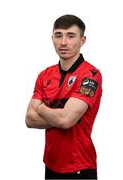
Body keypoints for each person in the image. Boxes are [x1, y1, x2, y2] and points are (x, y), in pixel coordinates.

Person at [25, 14, 102, 179]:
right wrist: (60, 116)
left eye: (71, 36)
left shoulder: (90, 76)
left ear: (83, 40)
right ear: (52, 38)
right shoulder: (45, 75)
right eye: (58, 35)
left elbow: (65, 120)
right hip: (50, 164)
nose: (63, 42)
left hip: (79, 166)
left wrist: (40, 108)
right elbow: (30, 120)